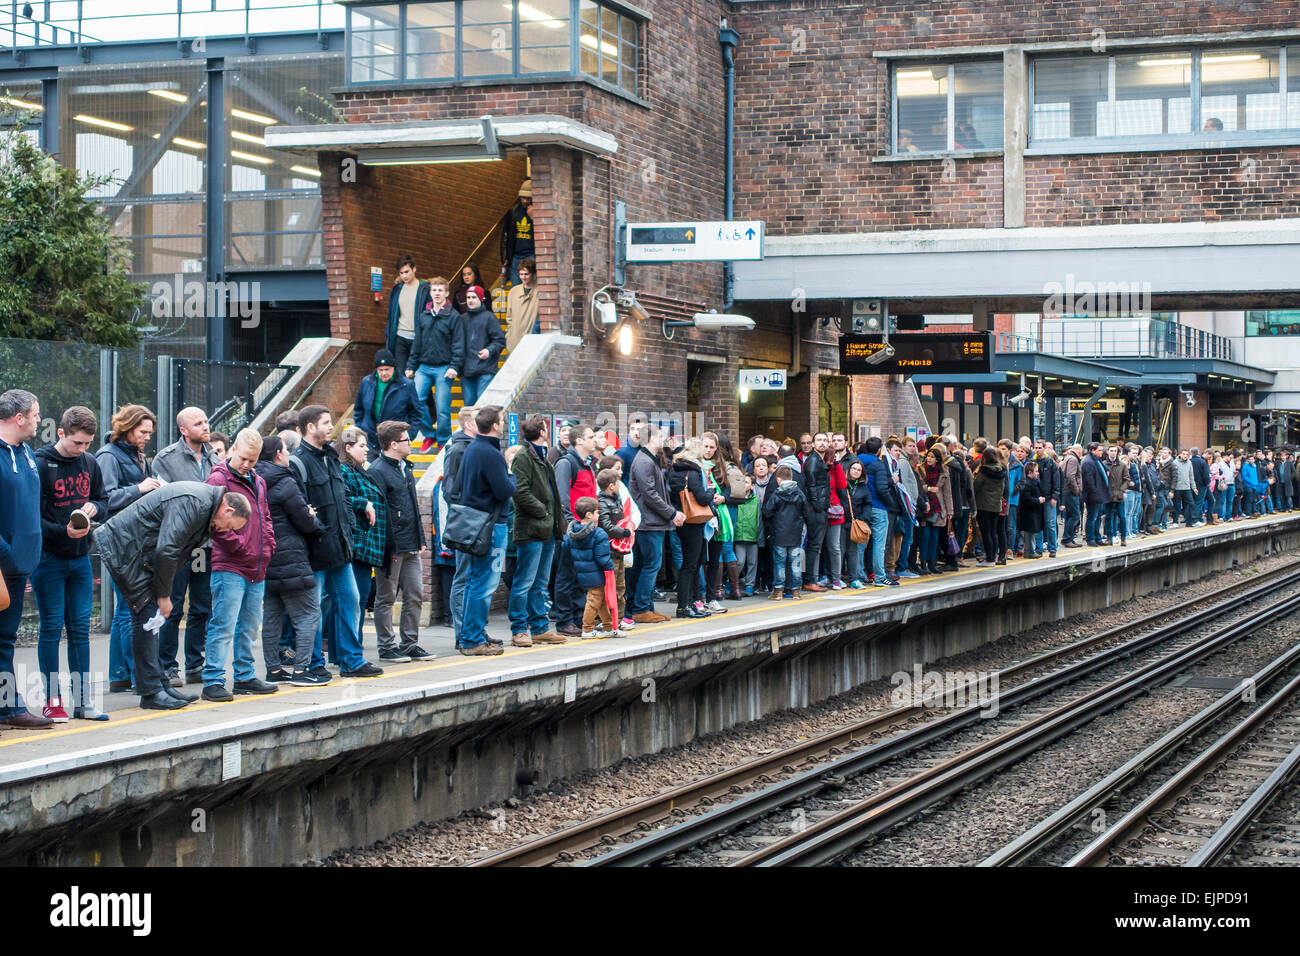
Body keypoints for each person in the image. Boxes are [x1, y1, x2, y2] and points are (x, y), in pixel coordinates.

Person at [95, 482, 251, 710]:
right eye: (229, 525)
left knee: (151, 621)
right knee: (146, 619)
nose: (225, 530)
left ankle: (160, 684)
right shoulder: (196, 502)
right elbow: (167, 549)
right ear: (227, 509)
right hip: (125, 549)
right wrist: (163, 595)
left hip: (138, 552)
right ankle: (150, 692)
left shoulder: (205, 506)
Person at [291, 406, 384, 679]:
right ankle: (314, 662)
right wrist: (317, 532)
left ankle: (351, 660)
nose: (332, 427)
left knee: (351, 601)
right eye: (326, 422)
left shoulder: (331, 458)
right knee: (314, 608)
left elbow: (342, 496)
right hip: (317, 548)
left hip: (340, 546)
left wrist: (348, 529)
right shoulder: (299, 462)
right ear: (310, 427)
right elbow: (299, 507)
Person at [33, 406, 110, 722]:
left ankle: (83, 702)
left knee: (80, 630)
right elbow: (31, 518)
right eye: (77, 443)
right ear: (61, 433)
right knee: (51, 628)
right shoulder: (41, 464)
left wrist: (94, 508)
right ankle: (52, 701)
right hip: (48, 558)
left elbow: (104, 501)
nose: (82, 449)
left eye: (87, 443)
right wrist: (60, 530)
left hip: (80, 557)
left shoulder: (90, 462)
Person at [201, 429, 277, 701]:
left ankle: (244, 676)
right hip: (230, 564)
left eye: (253, 460)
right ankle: (212, 679)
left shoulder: (258, 480)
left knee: (248, 625)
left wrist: (268, 546)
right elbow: (212, 522)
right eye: (243, 458)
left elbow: (265, 517)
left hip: (257, 564)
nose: (247, 464)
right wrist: (242, 546)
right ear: (233, 449)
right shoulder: (219, 478)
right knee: (224, 624)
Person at [95, 403, 161, 693]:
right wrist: (141, 488)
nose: (147, 437)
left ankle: (120, 675)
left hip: (135, 539)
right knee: (129, 609)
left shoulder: (137, 455)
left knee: (126, 607)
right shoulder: (108, 455)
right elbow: (104, 499)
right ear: (129, 427)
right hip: (122, 541)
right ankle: (138, 676)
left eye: (150, 432)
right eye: (143, 431)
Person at [152, 406, 217, 686]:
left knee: (202, 606)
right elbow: (164, 501)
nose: (205, 426)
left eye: (206, 421)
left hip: (208, 544)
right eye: (198, 423)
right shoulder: (166, 459)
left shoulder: (214, 456)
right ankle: (167, 666)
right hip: (179, 545)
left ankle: (195, 663)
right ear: (183, 430)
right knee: (173, 606)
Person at [0, 390, 52, 729]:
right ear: (18, 417)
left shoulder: (27, 452)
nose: (38, 420)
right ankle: (9, 709)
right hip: (4, 564)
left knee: (5, 640)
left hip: (21, 565)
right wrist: (7, 554)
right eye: (34, 414)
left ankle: (6, 707)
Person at [255, 436, 327, 685]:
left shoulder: (256, 479)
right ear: (277, 453)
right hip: (291, 556)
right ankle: (301, 671)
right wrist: (312, 516)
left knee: (272, 614)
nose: (289, 454)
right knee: (308, 613)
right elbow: (304, 521)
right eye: (287, 450)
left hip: (267, 557)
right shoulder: (284, 481)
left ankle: (273, 670)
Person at [366, 420, 435, 663]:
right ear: (393, 444)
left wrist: (420, 538)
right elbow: (382, 513)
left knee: (415, 593)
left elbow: (412, 508)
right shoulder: (377, 471)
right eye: (407, 439)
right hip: (392, 547)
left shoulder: (405, 467)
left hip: (410, 544)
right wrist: (388, 547)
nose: (411, 442)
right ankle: (386, 646)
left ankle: (410, 643)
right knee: (386, 597)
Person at [453, 406, 514, 655]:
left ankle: (471, 634)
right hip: (491, 525)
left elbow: (457, 486)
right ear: (496, 426)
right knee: (485, 584)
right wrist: (512, 477)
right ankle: (472, 640)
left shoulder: (472, 449)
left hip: (475, 525)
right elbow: (505, 490)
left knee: (473, 582)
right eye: (501, 421)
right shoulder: (491, 453)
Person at [508, 415, 566, 647]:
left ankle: (540, 628)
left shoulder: (542, 456)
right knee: (524, 582)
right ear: (542, 432)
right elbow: (520, 491)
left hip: (548, 529)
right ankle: (519, 629)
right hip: (532, 528)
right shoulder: (523, 456)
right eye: (546, 428)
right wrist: (543, 511)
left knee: (540, 583)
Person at [337, 426, 387, 657]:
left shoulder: (358, 469)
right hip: (359, 544)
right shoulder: (345, 470)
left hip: (367, 545)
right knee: (354, 601)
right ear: (348, 448)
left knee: (358, 599)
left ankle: (349, 649)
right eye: (362, 445)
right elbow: (344, 497)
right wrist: (364, 504)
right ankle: (349, 650)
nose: (367, 449)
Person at [627, 424, 681, 624]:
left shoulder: (649, 460)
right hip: (649, 523)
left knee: (645, 565)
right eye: (659, 437)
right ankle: (641, 608)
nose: (663, 441)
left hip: (652, 521)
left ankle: (645, 607)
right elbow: (650, 495)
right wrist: (672, 513)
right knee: (651, 565)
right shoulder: (643, 462)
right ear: (650, 438)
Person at [405, 277, 464, 454]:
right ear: (430, 293)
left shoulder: (453, 316)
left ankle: (443, 440)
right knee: (416, 401)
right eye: (434, 290)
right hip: (423, 366)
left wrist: (454, 366)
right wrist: (411, 365)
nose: (437, 293)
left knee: (443, 408)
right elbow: (417, 342)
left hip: (444, 368)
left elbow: (459, 344)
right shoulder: (424, 315)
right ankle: (429, 434)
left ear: (446, 293)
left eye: (440, 290)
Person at [552, 424, 598, 636]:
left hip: (586, 529)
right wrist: (572, 526)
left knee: (581, 577)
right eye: (590, 437)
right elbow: (561, 498)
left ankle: (579, 619)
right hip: (573, 531)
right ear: (579, 440)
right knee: (566, 576)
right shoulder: (566, 463)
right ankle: (564, 620)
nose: (593, 440)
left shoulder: (587, 465)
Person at [566, 495, 624, 639]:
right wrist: (610, 567)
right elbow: (602, 557)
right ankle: (586, 629)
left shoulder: (574, 532)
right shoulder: (598, 533)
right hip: (597, 573)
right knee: (593, 600)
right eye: (597, 512)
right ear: (589, 514)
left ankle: (608, 626)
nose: (599, 515)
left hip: (583, 572)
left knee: (602, 600)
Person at [668, 438, 714, 617]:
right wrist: (711, 491)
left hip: (680, 519)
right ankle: (684, 606)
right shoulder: (693, 472)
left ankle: (689, 604)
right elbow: (702, 498)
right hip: (694, 522)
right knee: (691, 565)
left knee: (689, 563)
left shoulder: (674, 470)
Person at [355, 349, 421, 460]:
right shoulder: (366, 382)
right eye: (380, 370)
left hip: (395, 443)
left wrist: (408, 436)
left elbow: (416, 413)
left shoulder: (406, 385)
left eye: (387, 369)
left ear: (394, 368)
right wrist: (361, 428)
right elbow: (358, 408)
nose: (384, 373)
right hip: (370, 441)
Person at [763, 464, 811, 600]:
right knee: (795, 563)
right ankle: (796, 591)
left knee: (779, 563)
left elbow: (767, 512)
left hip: (779, 534)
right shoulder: (799, 493)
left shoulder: (777, 494)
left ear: (778, 479)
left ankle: (778, 591)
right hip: (796, 533)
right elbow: (807, 512)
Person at [859, 437, 899, 586]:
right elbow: (882, 488)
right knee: (879, 544)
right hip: (877, 506)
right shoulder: (878, 464)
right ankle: (880, 576)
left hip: (861, 506)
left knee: (860, 542)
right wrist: (890, 504)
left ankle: (859, 574)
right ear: (878, 450)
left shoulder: (857, 462)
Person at [459, 285, 505, 407]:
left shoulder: (489, 317)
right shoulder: (462, 319)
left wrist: (489, 351)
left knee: (482, 406)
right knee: (469, 406)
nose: (470, 300)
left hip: (485, 369)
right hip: (466, 370)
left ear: (481, 298)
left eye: (474, 297)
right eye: (468, 297)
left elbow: (500, 341)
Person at [385, 254, 431, 377]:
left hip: (418, 338)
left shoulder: (425, 289)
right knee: (401, 376)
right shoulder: (397, 289)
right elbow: (391, 315)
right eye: (401, 273)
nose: (404, 276)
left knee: (419, 376)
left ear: (414, 269)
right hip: (400, 337)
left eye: (407, 272)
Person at [800, 433, 831, 590]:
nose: (822, 443)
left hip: (818, 508)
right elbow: (811, 486)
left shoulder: (818, 460)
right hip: (816, 509)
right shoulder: (813, 461)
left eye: (825, 440)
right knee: (814, 545)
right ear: (813, 444)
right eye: (819, 440)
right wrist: (819, 507)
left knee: (814, 545)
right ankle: (810, 580)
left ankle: (810, 579)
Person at [918, 446, 955, 572]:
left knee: (934, 537)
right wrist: (928, 488)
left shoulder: (944, 472)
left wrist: (950, 512)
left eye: (932, 457)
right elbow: (917, 486)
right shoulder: (920, 469)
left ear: (938, 459)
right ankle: (923, 563)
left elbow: (947, 493)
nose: (929, 459)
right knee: (925, 536)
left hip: (939, 507)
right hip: (925, 506)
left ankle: (932, 563)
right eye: (928, 456)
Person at [973, 447, 1007, 568]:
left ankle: (989, 558)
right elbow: (1003, 489)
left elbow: (975, 487)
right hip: (995, 506)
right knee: (993, 532)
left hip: (983, 505)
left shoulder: (983, 471)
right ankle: (994, 556)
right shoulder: (1002, 471)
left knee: (985, 532)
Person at [500, 181, 535, 285]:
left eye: (528, 198)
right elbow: (505, 236)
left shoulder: (536, 211)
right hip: (515, 256)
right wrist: (505, 257)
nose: (524, 201)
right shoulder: (513, 211)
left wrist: (533, 218)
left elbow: (544, 233)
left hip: (531, 255)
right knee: (516, 289)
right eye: (522, 198)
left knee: (532, 287)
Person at [506, 257, 540, 353]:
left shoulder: (540, 291)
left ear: (533, 274)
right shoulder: (513, 291)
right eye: (521, 274)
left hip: (532, 343)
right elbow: (509, 317)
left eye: (526, 274)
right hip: (514, 343)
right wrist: (509, 337)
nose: (523, 277)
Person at [1081, 442, 1110, 546]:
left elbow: (1105, 470)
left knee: (1097, 517)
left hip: (1100, 494)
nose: (1102, 452)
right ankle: (1090, 538)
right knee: (1092, 517)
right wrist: (1095, 492)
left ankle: (1097, 537)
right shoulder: (1088, 462)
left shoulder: (1097, 460)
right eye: (1099, 450)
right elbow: (1089, 481)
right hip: (1093, 495)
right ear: (1093, 450)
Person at [1017, 460, 1046, 557]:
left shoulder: (1034, 482)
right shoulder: (1027, 484)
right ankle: (1029, 552)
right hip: (1028, 513)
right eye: (1036, 471)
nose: (1038, 473)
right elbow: (1027, 498)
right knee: (1029, 533)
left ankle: (1031, 551)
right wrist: (1038, 500)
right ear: (1030, 472)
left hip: (1033, 511)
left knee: (1032, 533)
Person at [1105, 446, 1131, 547]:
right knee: (1108, 517)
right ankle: (1109, 537)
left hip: (1119, 495)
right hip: (1108, 495)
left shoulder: (1122, 465)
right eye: (1111, 451)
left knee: (1122, 517)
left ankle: (1123, 538)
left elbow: (1127, 479)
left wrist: (1122, 490)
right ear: (1107, 452)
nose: (1113, 453)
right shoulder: (1103, 464)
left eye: (1115, 451)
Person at [1060, 444, 1083, 548]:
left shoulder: (1068, 458)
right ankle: (1067, 539)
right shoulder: (1073, 459)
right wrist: (1077, 490)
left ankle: (1069, 538)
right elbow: (1070, 476)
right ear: (1079, 451)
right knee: (1075, 516)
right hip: (1071, 492)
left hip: (1068, 491)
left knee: (1070, 516)